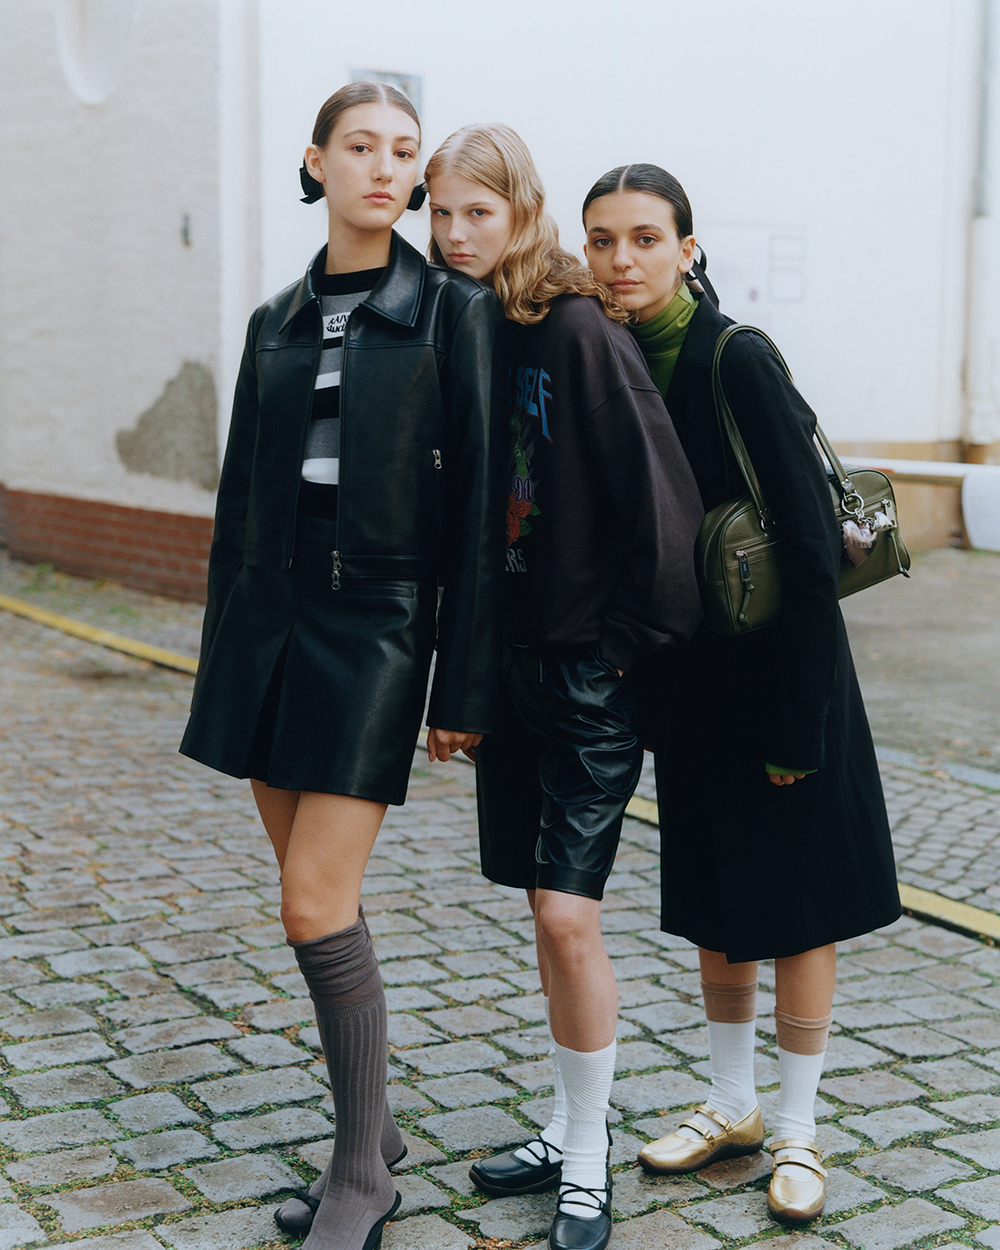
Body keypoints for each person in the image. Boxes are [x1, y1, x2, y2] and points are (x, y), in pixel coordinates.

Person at [179, 83, 505, 1250]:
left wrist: (461, 683)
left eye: (402, 151)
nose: (383, 166)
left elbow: (478, 510)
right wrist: (222, 660)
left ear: (414, 177)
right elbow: (238, 506)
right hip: (268, 622)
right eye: (359, 146)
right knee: (322, 902)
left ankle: (361, 1174)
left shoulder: (452, 311)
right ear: (316, 161)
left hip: (377, 624)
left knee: (313, 900)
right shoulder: (274, 318)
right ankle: (375, 1129)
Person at [582, 164, 901, 1225]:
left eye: (643, 238)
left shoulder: (735, 357)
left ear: (686, 248)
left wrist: (799, 721)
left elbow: (808, 546)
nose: (621, 259)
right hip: (693, 680)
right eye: (601, 240)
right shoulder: (613, 354)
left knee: (800, 904)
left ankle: (799, 1128)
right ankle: (732, 1103)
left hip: (779, 676)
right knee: (718, 895)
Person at [424, 127, 704, 1250]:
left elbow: (663, 507)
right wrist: (464, 681)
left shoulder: (578, 326)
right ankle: (561, 1121)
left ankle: (587, 1152)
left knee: (567, 916)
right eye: (440, 213)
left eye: (477, 213)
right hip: (508, 676)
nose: (455, 234)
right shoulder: (467, 326)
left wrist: (617, 653)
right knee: (541, 915)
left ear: (521, 211)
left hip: (590, 675)